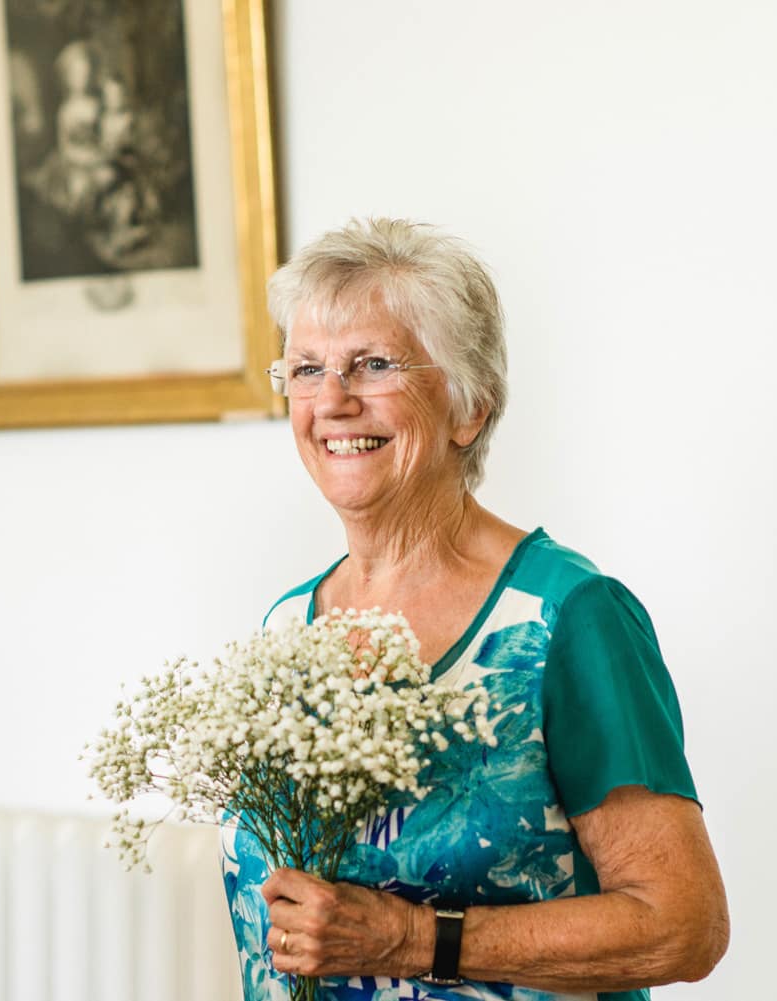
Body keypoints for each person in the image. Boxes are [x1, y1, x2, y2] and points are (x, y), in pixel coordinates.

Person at [222, 218, 729, 1000]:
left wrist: (415, 939)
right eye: (307, 369)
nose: (332, 400)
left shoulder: (566, 616)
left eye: (374, 364)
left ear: (470, 407)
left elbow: (682, 923)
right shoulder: (286, 628)